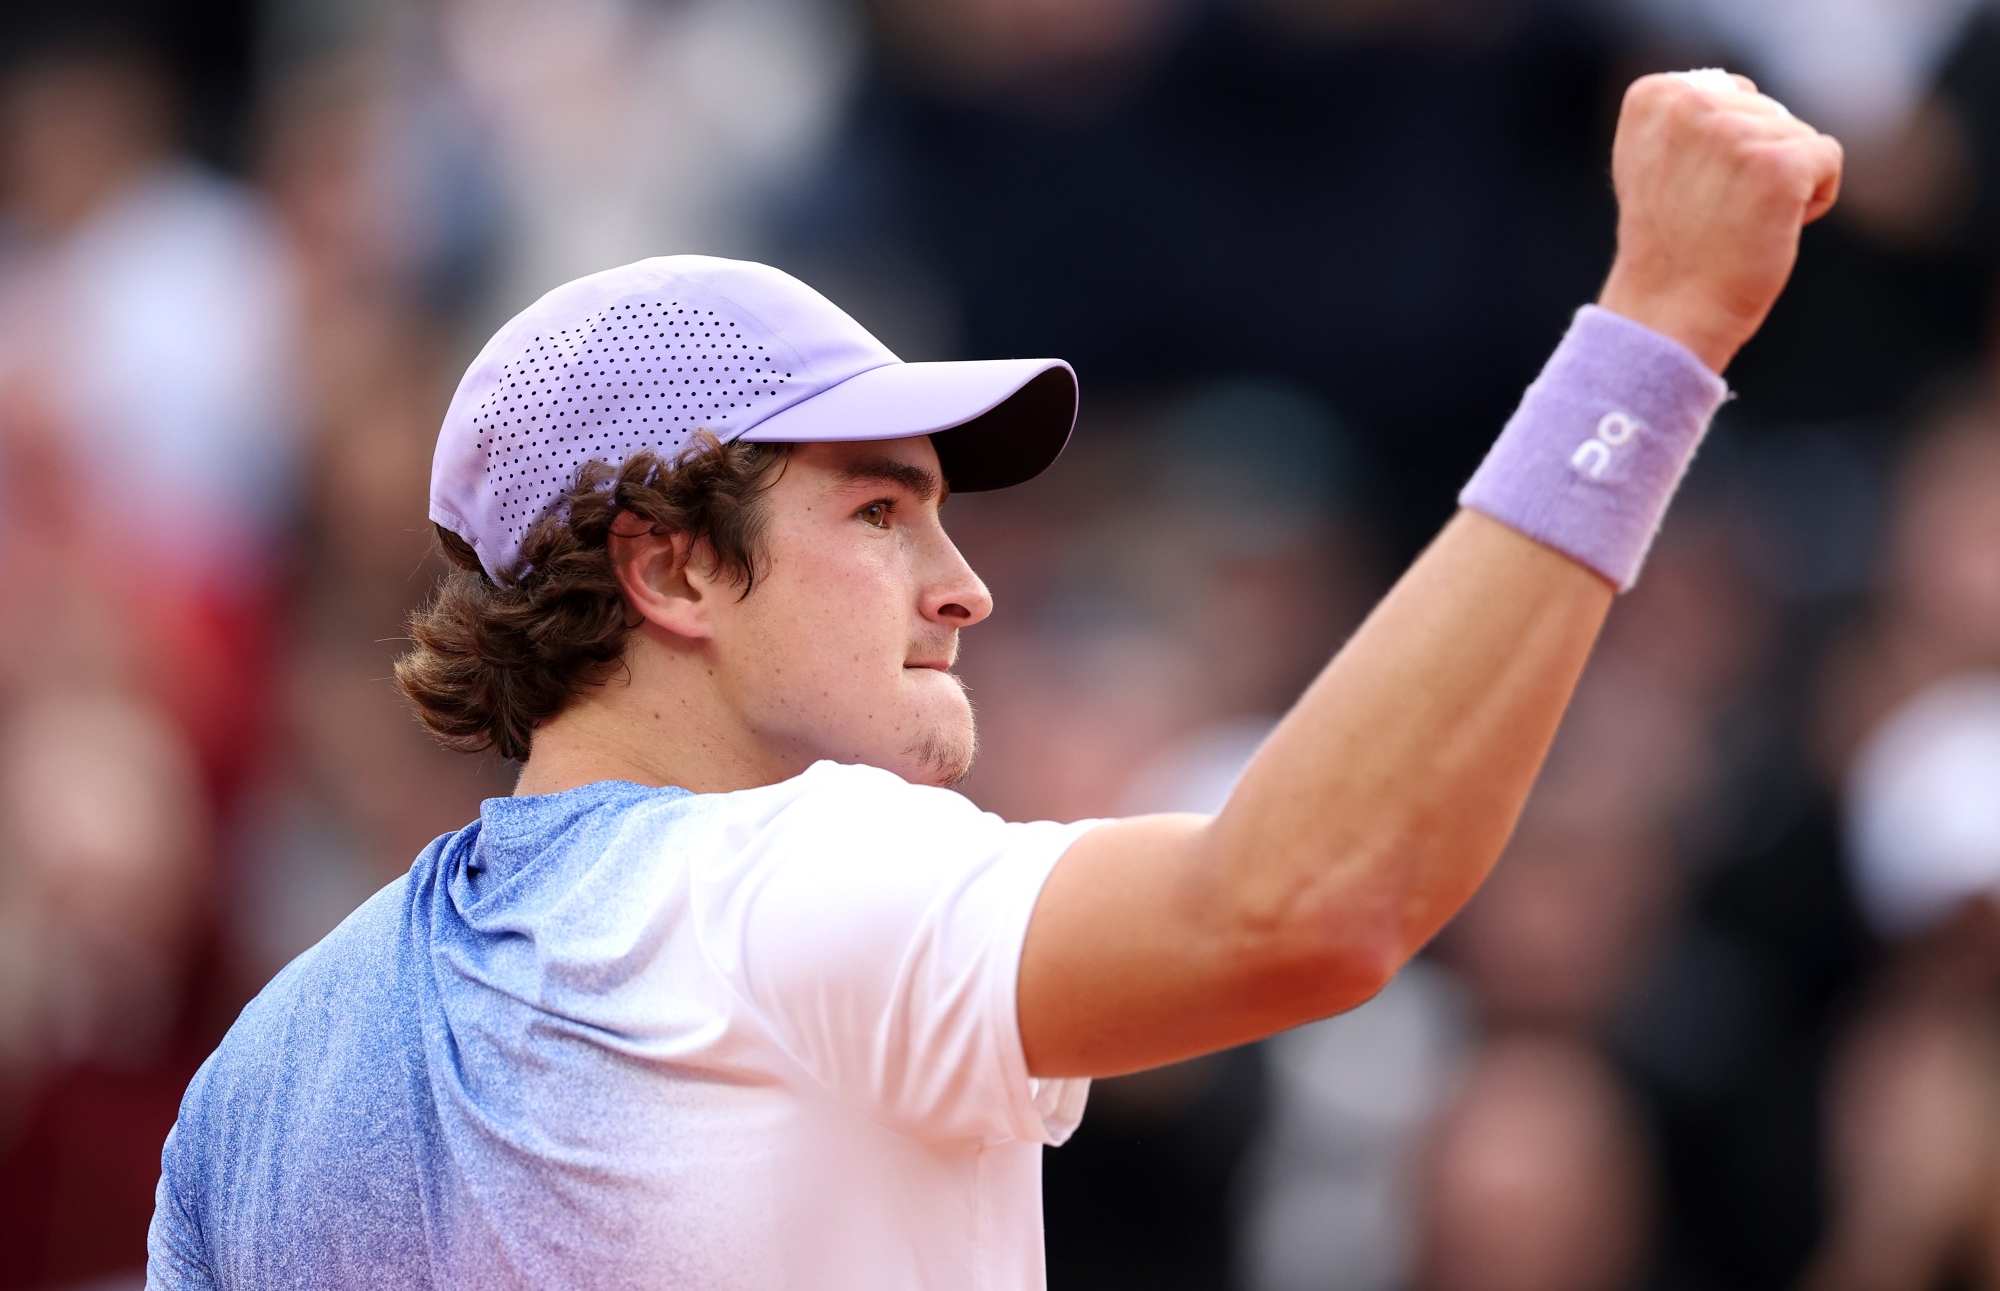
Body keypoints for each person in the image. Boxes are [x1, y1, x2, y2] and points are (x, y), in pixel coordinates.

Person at [145, 71, 1842, 1289]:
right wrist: (1658, 329)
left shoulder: (255, 1081)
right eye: (879, 512)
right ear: (670, 569)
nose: (962, 586)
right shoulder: (772, 882)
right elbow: (1313, 900)